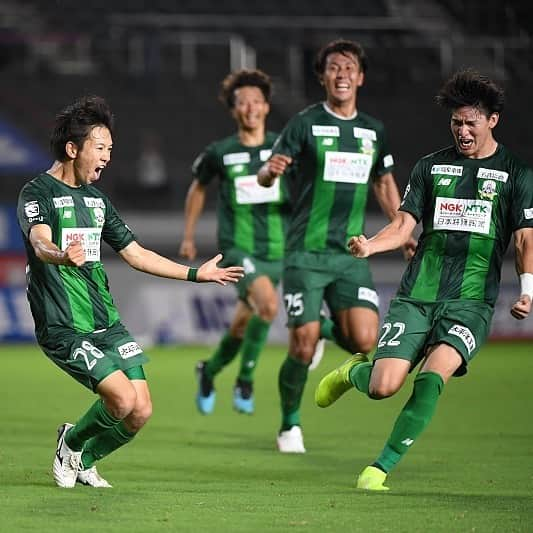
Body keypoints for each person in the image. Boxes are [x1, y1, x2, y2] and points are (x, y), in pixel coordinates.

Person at [315, 69, 533, 490]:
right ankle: (351, 374)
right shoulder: (431, 167)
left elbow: (525, 240)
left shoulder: (516, 174)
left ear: (492, 121)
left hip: (471, 302)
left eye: (471, 122)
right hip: (418, 295)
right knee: (383, 387)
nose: (463, 130)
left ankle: (379, 468)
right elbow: (402, 226)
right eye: (456, 122)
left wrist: (527, 293)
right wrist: (370, 246)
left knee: (433, 377)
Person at [17, 95, 243, 489]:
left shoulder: (98, 202)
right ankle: (68, 443)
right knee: (120, 400)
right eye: (99, 148)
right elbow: (39, 242)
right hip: (63, 326)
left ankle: (84, 459)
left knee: (140, 411)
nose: (106, 156)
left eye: (110, 149)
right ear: (73, 149)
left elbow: (137, 254)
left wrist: (195, 273)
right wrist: (59, 256)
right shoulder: (37, 193)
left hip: (107, 323)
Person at [258, 39, 415, 453]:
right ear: (322, 77)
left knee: (367, 344)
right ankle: (289, 424)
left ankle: (329, 344)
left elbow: (383, 183)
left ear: (360, 77)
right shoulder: (304, 123)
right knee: (302, 344)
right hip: (305, 254)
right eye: (333, 67)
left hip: (351, 252)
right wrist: (269, 172)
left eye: (349, 67)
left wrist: (403, 230)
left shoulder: (373, 131)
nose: (341, 74)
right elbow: (265, 176)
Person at [180, 69, 295, 415]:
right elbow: (198, 186)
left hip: (277, 249)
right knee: (270, 306)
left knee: (245, 323)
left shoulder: (284, 147)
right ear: (233, 110)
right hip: (238, 248)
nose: (250, 108)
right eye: (242, 102)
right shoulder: (221, 151)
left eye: (256, 101)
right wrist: (188, 235)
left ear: (266, 107)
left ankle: (209, 370)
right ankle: (246, 378)